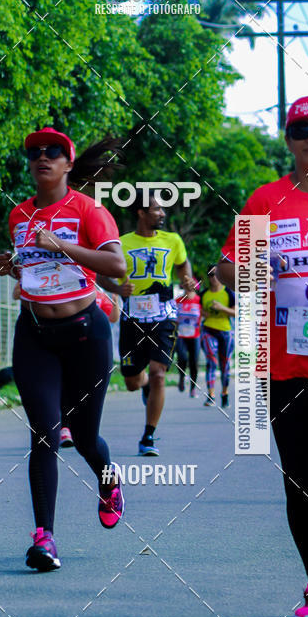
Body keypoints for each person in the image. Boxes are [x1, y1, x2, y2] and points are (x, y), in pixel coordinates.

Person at [218, 94, 308, 617]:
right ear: (288, 139)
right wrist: (254, 267)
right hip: (284, 363)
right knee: (300, 478)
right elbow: (226, 269)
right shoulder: (266, 201)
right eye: (303, 129)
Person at [0, 127, 126, 571]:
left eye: (53, 151)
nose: (42, 157)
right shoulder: (18, 215)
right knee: (45, 433)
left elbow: (116, 265)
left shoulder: (89, 210)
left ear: (68, 164)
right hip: (35, 334)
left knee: (85, 438)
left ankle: (108, 481)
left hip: (86, 334)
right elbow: (34, 267)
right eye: (34, 152)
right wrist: (13, 268)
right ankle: (44, 537)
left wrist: (62, 244)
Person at [99, 191, 195, 456]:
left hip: (164, 316)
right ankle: (144, 386)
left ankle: (148, 436)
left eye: (162, 209)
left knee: (158, 373)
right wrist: (117, 289)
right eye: (156, 209)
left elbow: (183, 266)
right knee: (131, 381)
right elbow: (101, 276)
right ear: (141, 213)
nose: (162, 213)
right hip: (132, 319)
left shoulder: (173, 240)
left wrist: (187, 280)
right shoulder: (121, 243)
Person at [59, 286, 120, 448]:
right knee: (67, 386)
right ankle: (65, 428)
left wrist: (115, 301)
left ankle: (83, 430)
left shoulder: (101, 295)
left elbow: (113, 318)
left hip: (92, 349)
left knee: (84, 389)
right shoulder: (70, 289)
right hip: (70, 344)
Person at [200, 265, 236, 407]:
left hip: (225, 331)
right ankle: (211, 395)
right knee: (211, 361)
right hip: (208, 330)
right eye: (210, 274)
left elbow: (236, 312)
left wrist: (221, 308)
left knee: (225, 365)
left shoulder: (228, 292)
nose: (213, 278)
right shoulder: (203, 294)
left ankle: (224, 393)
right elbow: (197, 309)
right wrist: (203, 313)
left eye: (215, 274)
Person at [175, 279, 202, 397]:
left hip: (195, 335)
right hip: (181, 335)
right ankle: (181, 378)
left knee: (194, 362)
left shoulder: (199, 300)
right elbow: (173, 317)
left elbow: (204, 315)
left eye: (191, 285)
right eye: (186, 285)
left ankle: (193, 388)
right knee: (182, 358)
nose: (188, 288)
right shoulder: (178, 301)